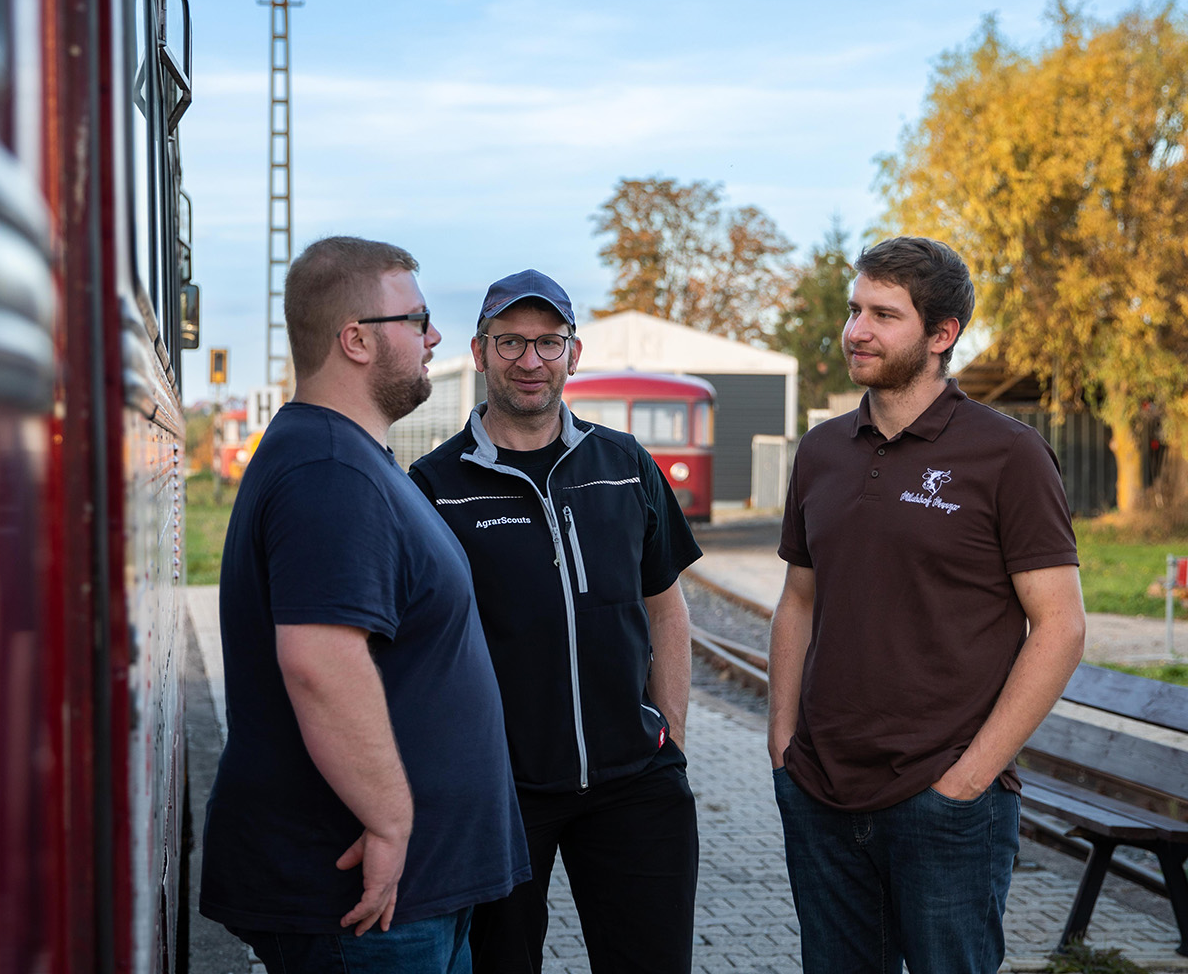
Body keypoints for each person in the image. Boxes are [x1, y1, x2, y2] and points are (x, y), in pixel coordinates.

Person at [199, 237, 530, 974]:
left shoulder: (348, 459)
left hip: (411, 895)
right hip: (365, 902)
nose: (434, 337)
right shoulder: (326, 471)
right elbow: (319, 660)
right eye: (416, 320)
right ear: (355, 340)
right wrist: (390, 821)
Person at [767, 236, 1087, 974]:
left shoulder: (1007, 454)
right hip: (819, 792)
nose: (856, 331)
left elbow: (1061, 626)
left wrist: (968, 780)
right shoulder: (821, 451)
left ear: (941, 336)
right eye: (854, 310)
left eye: (884, 314)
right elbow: (798, 602)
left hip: (943, 805)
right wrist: (783, 745)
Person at [409, 269, 703, 974]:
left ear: (575, 354)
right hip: (500, 793)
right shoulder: (434, 486)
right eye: (510, 341)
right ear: (479, 353)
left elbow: (664, 605)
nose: (530, 360)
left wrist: (669, 740)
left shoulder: (625, 462)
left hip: (634, 784)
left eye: (549, 342)